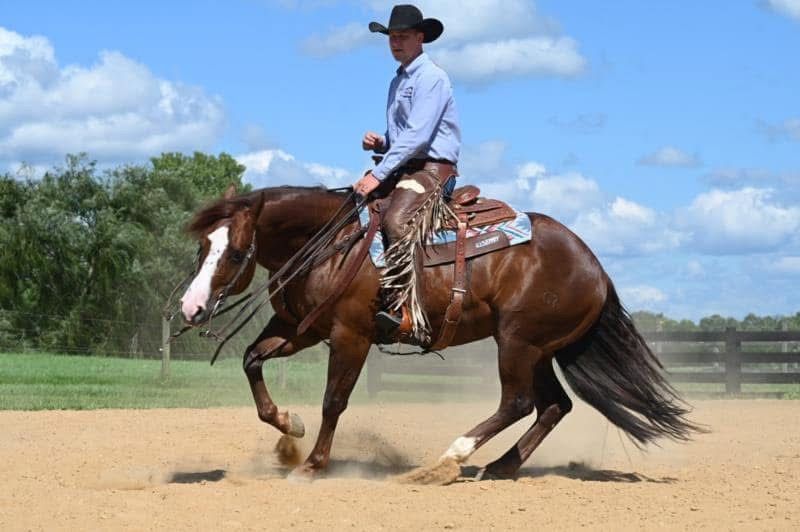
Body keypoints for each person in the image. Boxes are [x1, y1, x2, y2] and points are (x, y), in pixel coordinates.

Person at [353, 4, 461, 345]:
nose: (396, 43)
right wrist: (383, 142)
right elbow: (403, 136)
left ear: (420, 38)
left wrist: (378, 173)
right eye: (392, 37)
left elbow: (418, 137)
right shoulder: (398, 81)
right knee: (355, 209)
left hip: (433, 170)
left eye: (403, 37)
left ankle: (409, 312)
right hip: (406, 167)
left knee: (397, 221)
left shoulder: (432, 77)